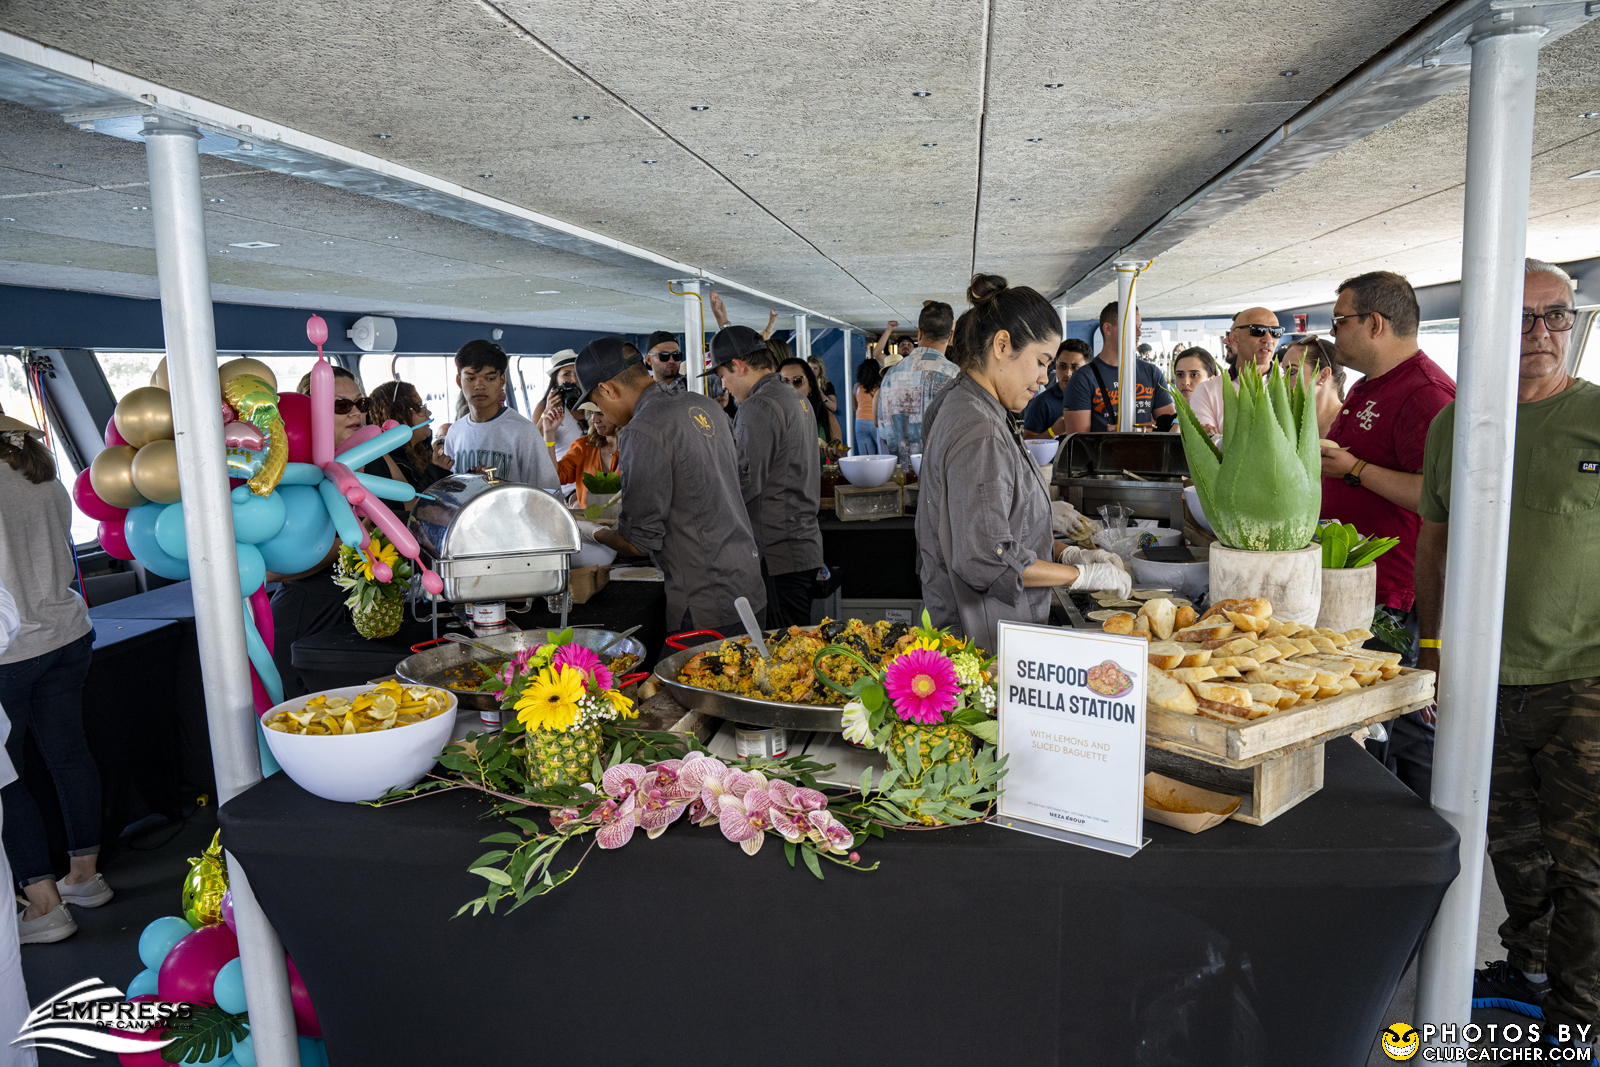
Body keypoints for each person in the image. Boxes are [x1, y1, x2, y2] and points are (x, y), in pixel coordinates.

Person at [1416, 259, 1600, 1034]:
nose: (1542, 333)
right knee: (1512, 844)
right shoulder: (1456, 424)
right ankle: (1527, 964)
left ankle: (1579, 1016)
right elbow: (1434, 543)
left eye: (1556, 315)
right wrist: (1432, 646)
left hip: (1582, 679)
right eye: (1523, 318)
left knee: (1584, 863)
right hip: (1484, 677)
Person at [917, 275, 1131, 652]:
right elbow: (989, 559)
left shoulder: (965, 402)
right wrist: (1080, 575)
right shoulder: (981, 430)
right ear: (1002, 345)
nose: (1044, 378)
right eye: (1041, 362)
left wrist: (1065, 550)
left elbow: (994, 526)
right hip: (984, 642)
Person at [1318, 271, 1455, 798]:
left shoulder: (1426, 395)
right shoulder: (1369, 386)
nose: (1333, 332)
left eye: (1340, 321)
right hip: (1354, 586)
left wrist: (1354, 470)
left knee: (1398, 726)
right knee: (1369, 724)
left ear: (1374, 323)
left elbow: (1439, 497)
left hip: (1391, 595)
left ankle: (1424, 823)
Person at [0, 412, 111, 946]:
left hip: (11, 650)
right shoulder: (38, 468)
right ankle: (84, 878)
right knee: (70, 755)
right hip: (67, 633)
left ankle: (43, 907)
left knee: (8, 776)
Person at [575, 338, 766, 636]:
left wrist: (589, 531)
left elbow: (638, 543)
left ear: (608, 389)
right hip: (749, 583)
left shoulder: (641, 429)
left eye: (598, 404)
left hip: (705, 599)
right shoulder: (705, 405)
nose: (602, 413)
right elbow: (742, 479)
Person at [270, 367, 377, 697]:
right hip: (306, 616)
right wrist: (349, 544)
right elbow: (270, 572)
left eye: (361, 403)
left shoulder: (367, 461)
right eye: (341, 405)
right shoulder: (291, 474)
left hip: (352, 615)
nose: (355, 412)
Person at [712, 326, 825, 629]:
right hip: (800, 543)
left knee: (779, 649)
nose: (724, 385)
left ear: (739, 366)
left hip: (776, 552)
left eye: (722, 375)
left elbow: (742, 482)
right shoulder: (795, 397)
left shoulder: (758, 406)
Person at [444, 340, 558, 491]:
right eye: (470, 378)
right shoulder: (455, 432)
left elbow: (548, 493)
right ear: (459, 381)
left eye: (489, 378)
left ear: (501, 381)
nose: (479, 386)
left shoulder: (524, 431)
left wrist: (500, 486)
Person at [1062, 302, 1176, 433]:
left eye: (1139, 327)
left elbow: (1171, 426)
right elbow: (1078, 439)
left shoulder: (1152, 373)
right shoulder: (1083, 379)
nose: (1139, 333)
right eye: (1132, 327)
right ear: (1108, 329)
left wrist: (1133, 430)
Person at [877, 300, 959, 467]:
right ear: (950, 336)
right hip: (940, 474)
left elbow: (884, 435)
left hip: (901, 474)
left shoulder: (890, 375)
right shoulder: (955, 376)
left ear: (919, 333)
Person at [1187, 308, 1284, 434]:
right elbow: (1206, 443)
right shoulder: (1207, 391)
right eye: (1258, 331)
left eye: (1276, 332)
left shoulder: (1290, 386)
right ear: (1235, 338)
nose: (1268, 339)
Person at [367, 380, 452, 493]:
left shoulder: (421, 449)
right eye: (419, 407)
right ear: (398, 416)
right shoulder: (388, 464)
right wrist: (437, 472)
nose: (429, 413)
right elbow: (414, 502)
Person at [1021, 339, 1091, 440]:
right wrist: (1053, 431)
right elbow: (1027, 443)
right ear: (1056, 367)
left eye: (1075, 367)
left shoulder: (1098, 399)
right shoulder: (1041, 403)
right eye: (1062, 366)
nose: (1068, 373)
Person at [553, 402, 619, 508]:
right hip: (591, 518)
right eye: (592, 413)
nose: (594, 419)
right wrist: (549, 434)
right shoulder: (584, 447)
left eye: (601, 413)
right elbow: (557, 476)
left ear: (619, 413)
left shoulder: (634, 446)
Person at [1278, 337, 1345, 436]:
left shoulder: (1351, 425)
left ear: (1323, 375)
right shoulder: (1290, 425)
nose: (1283, 381)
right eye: (1284, 373)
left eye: (1292, 372)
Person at [778, 356, 844, 457]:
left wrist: (834, 455)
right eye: (784, 382)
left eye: (797, 381)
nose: (791, 388)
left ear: (810, 387)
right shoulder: (771, 419)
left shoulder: (827, 418)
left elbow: (840, 455)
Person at [529, 350, 586, 456]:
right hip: (561, 466)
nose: (574, 380)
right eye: (567, 374)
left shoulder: (590, 405)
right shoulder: (543, 406)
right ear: (556, 380)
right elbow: (532, 444)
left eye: (577, 374)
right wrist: (547, 411)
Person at [853, 360, 882, 455]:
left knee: (866, 456)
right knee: (883, 454)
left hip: (860, 422)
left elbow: (855, 408)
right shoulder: (880, 387)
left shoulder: (857, 387)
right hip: (877, 423)